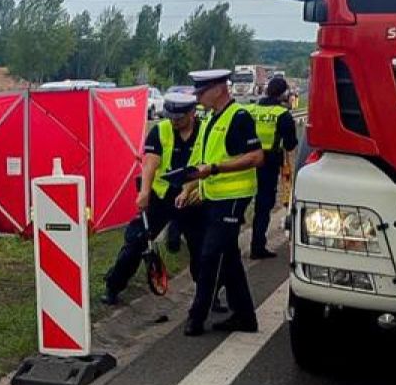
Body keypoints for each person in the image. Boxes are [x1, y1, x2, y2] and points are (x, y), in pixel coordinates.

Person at [177, 69, 264, 337]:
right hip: (214, 197)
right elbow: (202, 161)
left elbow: (256, 157)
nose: (199, 98)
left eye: (202, 92)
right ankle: (245, 317)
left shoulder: (238, 117)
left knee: (209, 255)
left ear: (218, 89)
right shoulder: (213, 118)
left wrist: (215, 169)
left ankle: (197, 317)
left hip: (233, 198)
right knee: (229, 259)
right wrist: (190, 185)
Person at [101, 93, 206, 305]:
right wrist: (145, 192)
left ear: (193, 113)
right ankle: (113, 286)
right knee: (136, 242)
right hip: (161, 197)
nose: (174, 121)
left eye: (180, 118)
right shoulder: (161, 130)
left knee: (201, 249)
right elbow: (150, 163)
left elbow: (210, 164)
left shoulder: (206, 131)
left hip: (192, 198)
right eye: (172, 117)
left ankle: (207, 294)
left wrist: (194, 190)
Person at [245, 76, 298, 259]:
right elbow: (291, 144)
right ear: (284, 94)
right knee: (263, 204)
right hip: (268, 163)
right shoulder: (282, 115)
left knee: (240, 202)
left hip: (245, 161)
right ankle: (257, 246)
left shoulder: (250, 109)